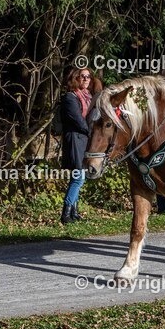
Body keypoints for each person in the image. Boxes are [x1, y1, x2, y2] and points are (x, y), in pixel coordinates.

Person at [59, 67, 101, 224]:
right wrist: (93, 133)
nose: (86, 79)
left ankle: (74, 212)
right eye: (82, 76)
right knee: (78, 178)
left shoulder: (88, 97)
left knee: (79, 178)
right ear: (75, 78)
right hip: (75, 140)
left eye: (88, 77)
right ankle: (66, 213)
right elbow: (79, 122)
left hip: (84, 141)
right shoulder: (70, 98)